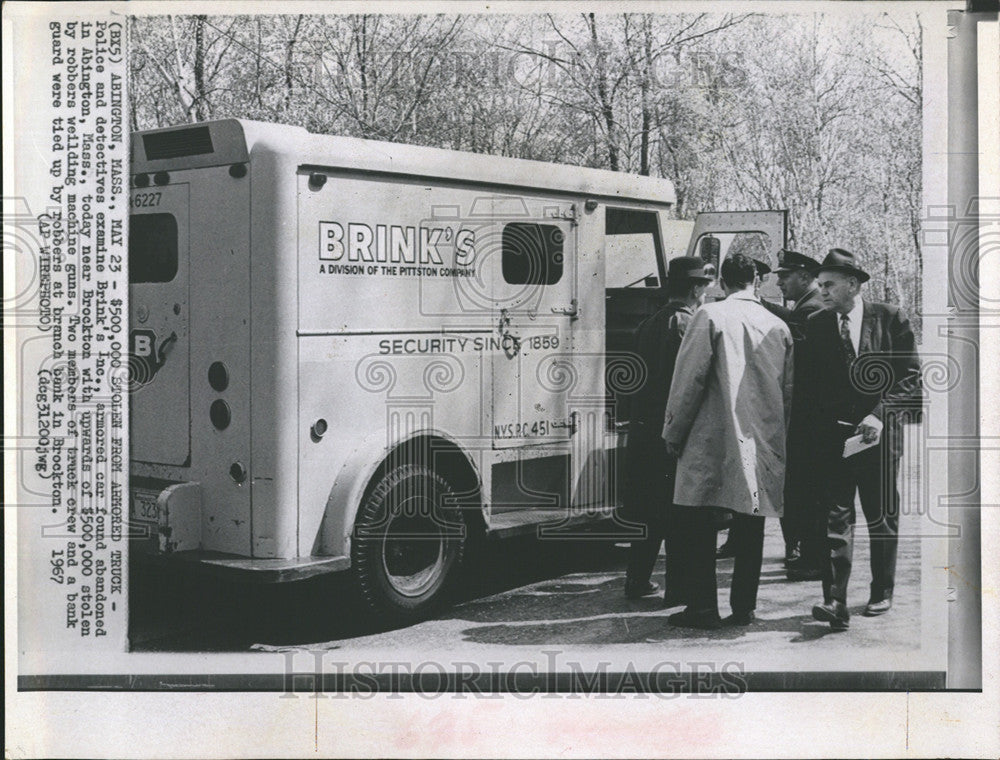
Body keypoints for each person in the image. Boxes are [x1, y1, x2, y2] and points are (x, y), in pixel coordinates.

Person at [662, 253, 794, 629]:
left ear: (722, 281)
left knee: (700, 522)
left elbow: (688, 382)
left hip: (711, 438)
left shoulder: (709, 316)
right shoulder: (777, 325)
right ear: (758, 281)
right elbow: (788, 392)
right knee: (751, 522)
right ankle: (744, 608)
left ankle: (703, 608)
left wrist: (673, 431)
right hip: (761, 438)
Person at [802, 249, 922, 630]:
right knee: (835, 517)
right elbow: (811, 387)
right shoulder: (818, 324)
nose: (822, 292)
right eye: (819, 285)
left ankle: (882, 589)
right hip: (832, 441)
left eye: (829, 285)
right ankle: (835, 600)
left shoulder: (890, 319)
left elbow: (911, 379)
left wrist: (878, 416)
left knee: (880, 515)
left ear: (853, 285)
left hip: (880, 439)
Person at [621, 257, 711, 600]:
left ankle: (636, 580)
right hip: (672, 434)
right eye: (703, 286)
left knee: (648, 513)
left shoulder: (649, 323)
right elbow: (688, 385)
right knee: (678, 513)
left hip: (644, 433)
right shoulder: (688, 326)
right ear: (695, 289)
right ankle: (679, 589)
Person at [760, 250, 826, 575]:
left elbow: (792, 324)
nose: (779, 282)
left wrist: (754, 302)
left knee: (802, 488)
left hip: (806, 418)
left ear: (804, 276)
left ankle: (805, 555)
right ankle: (801, 551)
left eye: (784, 276)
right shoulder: (806, 306)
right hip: (807, 416)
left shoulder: (812, 309)